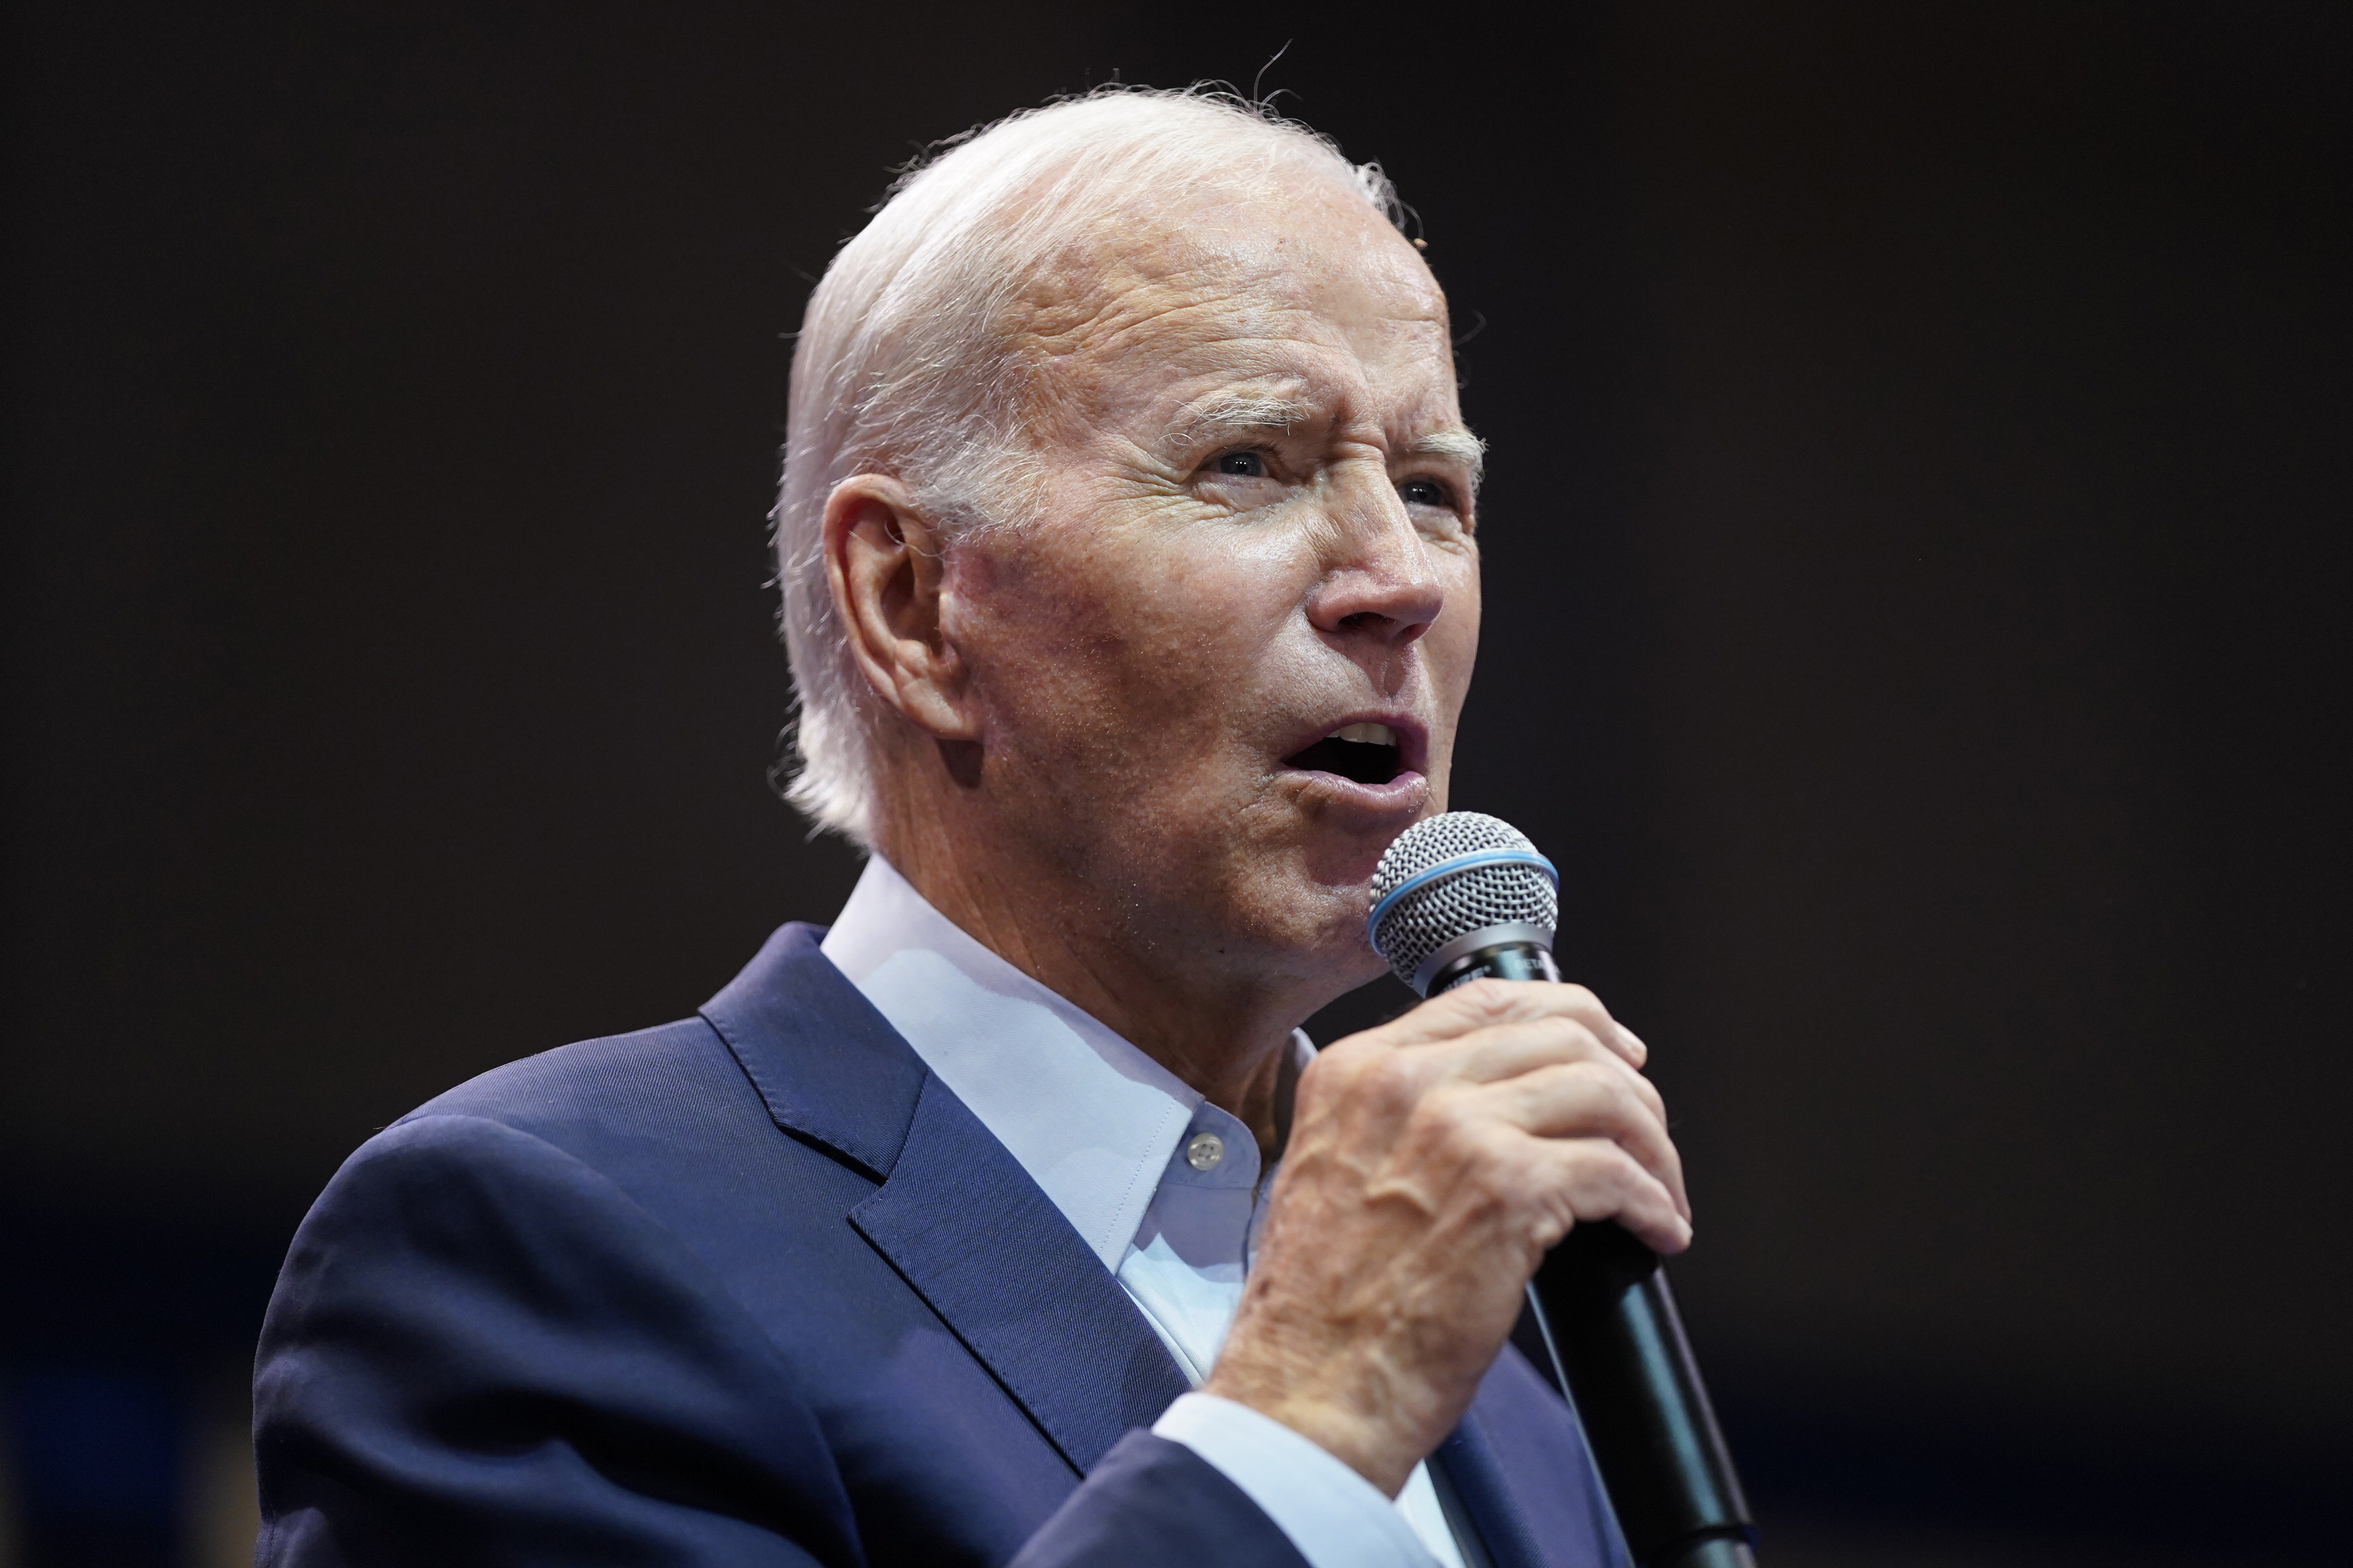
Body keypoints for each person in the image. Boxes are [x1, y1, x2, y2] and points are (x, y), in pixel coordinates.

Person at [251, 87, 1693, 1568]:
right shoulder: (539, 1248)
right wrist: (1312, 1410)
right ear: (913, 602)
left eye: (1432, 488)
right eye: (1248, 462)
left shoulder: (1522, 1424)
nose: (1401, 579)